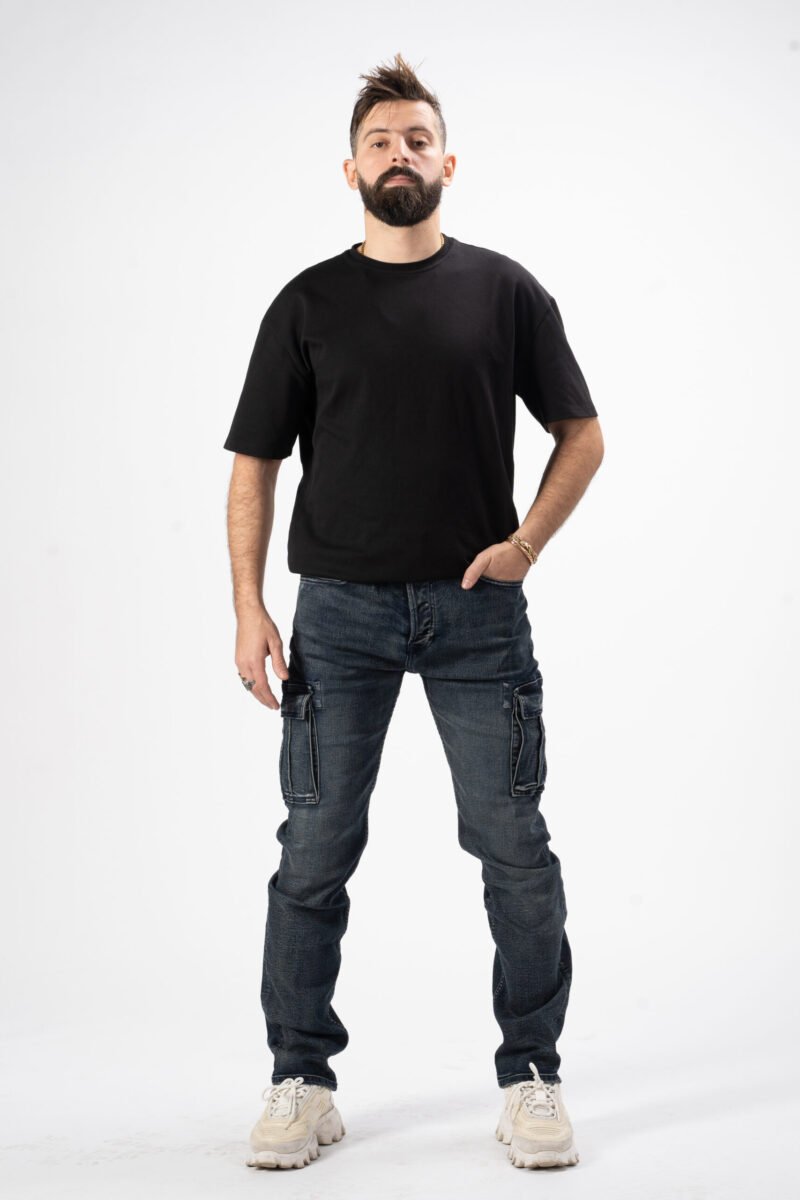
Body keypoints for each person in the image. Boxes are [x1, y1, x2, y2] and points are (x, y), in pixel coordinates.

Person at [223, 52, 604, 1172]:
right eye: (381, 141)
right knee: (313, 850)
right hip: (336, 616)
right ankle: (300, 1078)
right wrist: (248, 607)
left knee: (513, 847)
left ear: (449, 163)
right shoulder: (307, 302)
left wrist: (524, 545)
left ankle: (530, 1076)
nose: (401, 154)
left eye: (418, 139)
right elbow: (254, 464)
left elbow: (582, 434)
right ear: (350, 169)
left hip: (477, 612)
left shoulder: (505, 292)